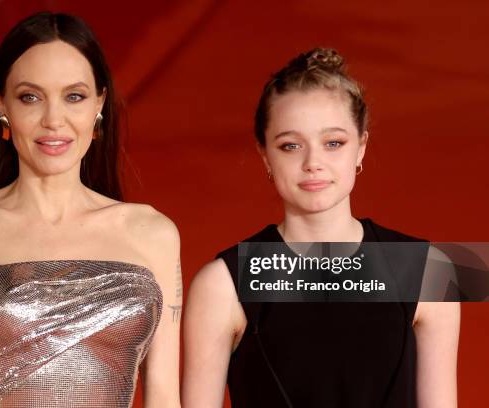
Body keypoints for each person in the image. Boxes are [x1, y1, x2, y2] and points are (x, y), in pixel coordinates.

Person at [0, 12, 181, 408]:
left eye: (74, 96)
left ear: (99, 105)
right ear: (0, 103)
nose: (54, 120)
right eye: (30, 97)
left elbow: (164, 397)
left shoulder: (153, 233)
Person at [182, 48, 459, 407]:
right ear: (265, 155)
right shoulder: (220, 284)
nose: (313, 163)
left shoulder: (429, 269)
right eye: (291, 146)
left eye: (333, 143)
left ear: (361, 147)